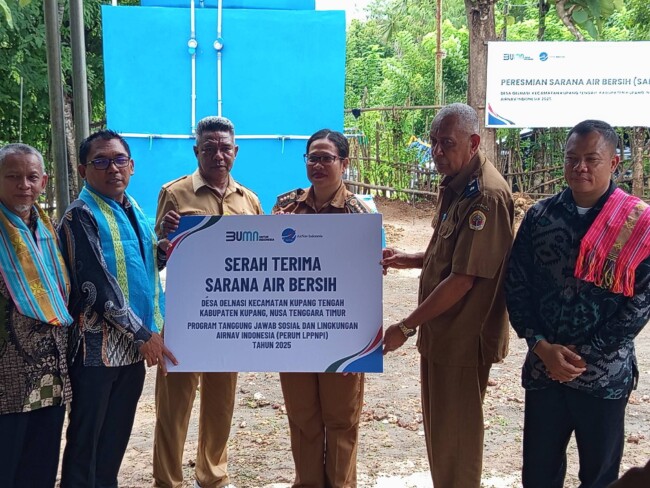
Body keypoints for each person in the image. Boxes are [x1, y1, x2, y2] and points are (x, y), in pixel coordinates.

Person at [505, 119, 650, 488]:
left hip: (604, 377)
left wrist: (583, 356)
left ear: (614, 162)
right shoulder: (541, 217)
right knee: (538, 475)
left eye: (591, 159)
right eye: (572, 158)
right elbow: (517, 286)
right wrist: (541, 346)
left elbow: (640, 304)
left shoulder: (638, 224)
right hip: (544, 371)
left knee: (600, 478)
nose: (580, 167)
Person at [381, 103, 515, 488]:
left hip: (463, 339)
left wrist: (405, 327)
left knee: (456, 441)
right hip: (444, 335)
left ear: (473, 143)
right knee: (443, 434)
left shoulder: (484, 196)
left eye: (447, 144)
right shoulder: (457, 183)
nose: (438, 152)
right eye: (434, 142)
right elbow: (450, 254)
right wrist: (408, 259)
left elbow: (462, 280)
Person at [58, 130, 177, 487]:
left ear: (132, 165)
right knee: (86, 442)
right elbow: (95, 281)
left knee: (114, 440)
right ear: (83, 170)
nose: (113, 168)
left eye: (119, 160)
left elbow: (137, 267)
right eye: (101, 161)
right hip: (96, 351)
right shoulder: (80, 215)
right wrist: (143, 334)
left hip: (130, 351)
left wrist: (162, 250)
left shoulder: (132, 209)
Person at [153, 115, 262, 488]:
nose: (218, 155)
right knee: (174, 407)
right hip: (186, 318)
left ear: (236, 151)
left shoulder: (249, 200)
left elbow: (261, 259)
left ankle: (212, 476)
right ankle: (167, 481)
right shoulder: (174, 193)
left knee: (220, 404)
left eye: (225, 148)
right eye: (210, 148)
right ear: (196, 150)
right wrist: (164, 243)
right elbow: (157, 256)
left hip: (231, 319)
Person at [272, 128, 371, 488]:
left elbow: (366, 283)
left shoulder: (358, 214)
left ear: (344, 163)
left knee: (341, 421)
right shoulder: (285, 207)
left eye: (326, 158)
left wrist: (360, 346)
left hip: (341, 334)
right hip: (294, 330)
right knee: (303, 419)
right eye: (312, 157)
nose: (317, 165)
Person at [0, 143, 73, 488]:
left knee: (41, 465)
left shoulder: (49, 229)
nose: (23, 185)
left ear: (43, 182)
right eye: (12, 176)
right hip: (6, 376)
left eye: (31, 177)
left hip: (50, 374)